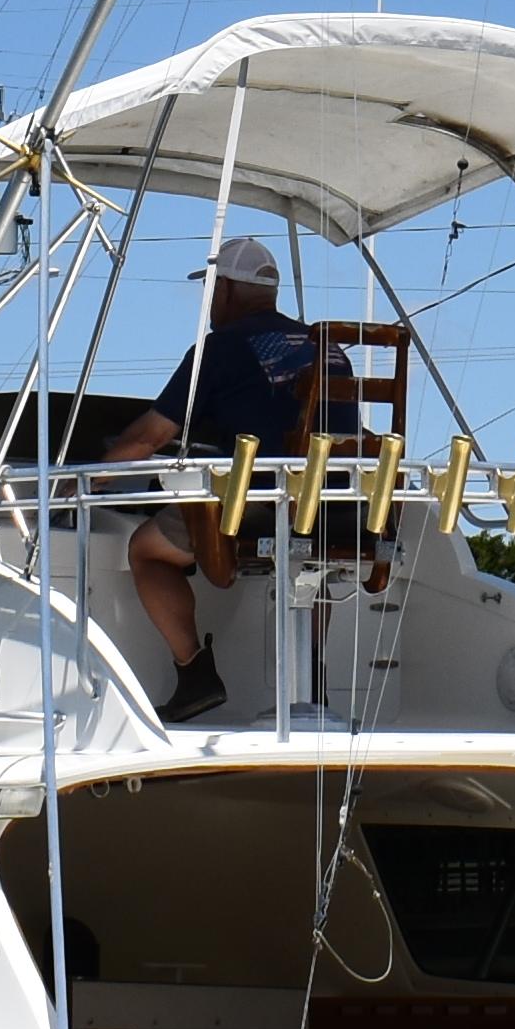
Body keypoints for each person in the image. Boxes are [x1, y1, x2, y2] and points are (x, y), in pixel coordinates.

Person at [125, 235, 331, 715]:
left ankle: (195, 674)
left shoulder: (219, 350)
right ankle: (313, 682)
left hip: (260, 507)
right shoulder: (324, 346)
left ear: (227, 292)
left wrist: (86, 477)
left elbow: (148, 440)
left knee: (146, 550)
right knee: (315, 559)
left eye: (212, 289)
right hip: (342, 507)